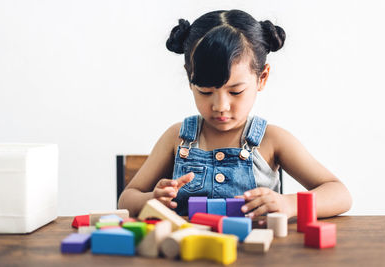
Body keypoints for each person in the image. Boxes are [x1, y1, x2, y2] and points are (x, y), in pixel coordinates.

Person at [118, 9, 352, 220]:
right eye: (206, 91)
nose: (221, 105)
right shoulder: (177, 137)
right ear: (190, 79)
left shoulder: (272, 140)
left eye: (236, 91)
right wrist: (151, 199)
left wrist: (289, 204)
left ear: (262, 78)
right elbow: (127, 199)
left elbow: (339, 193)